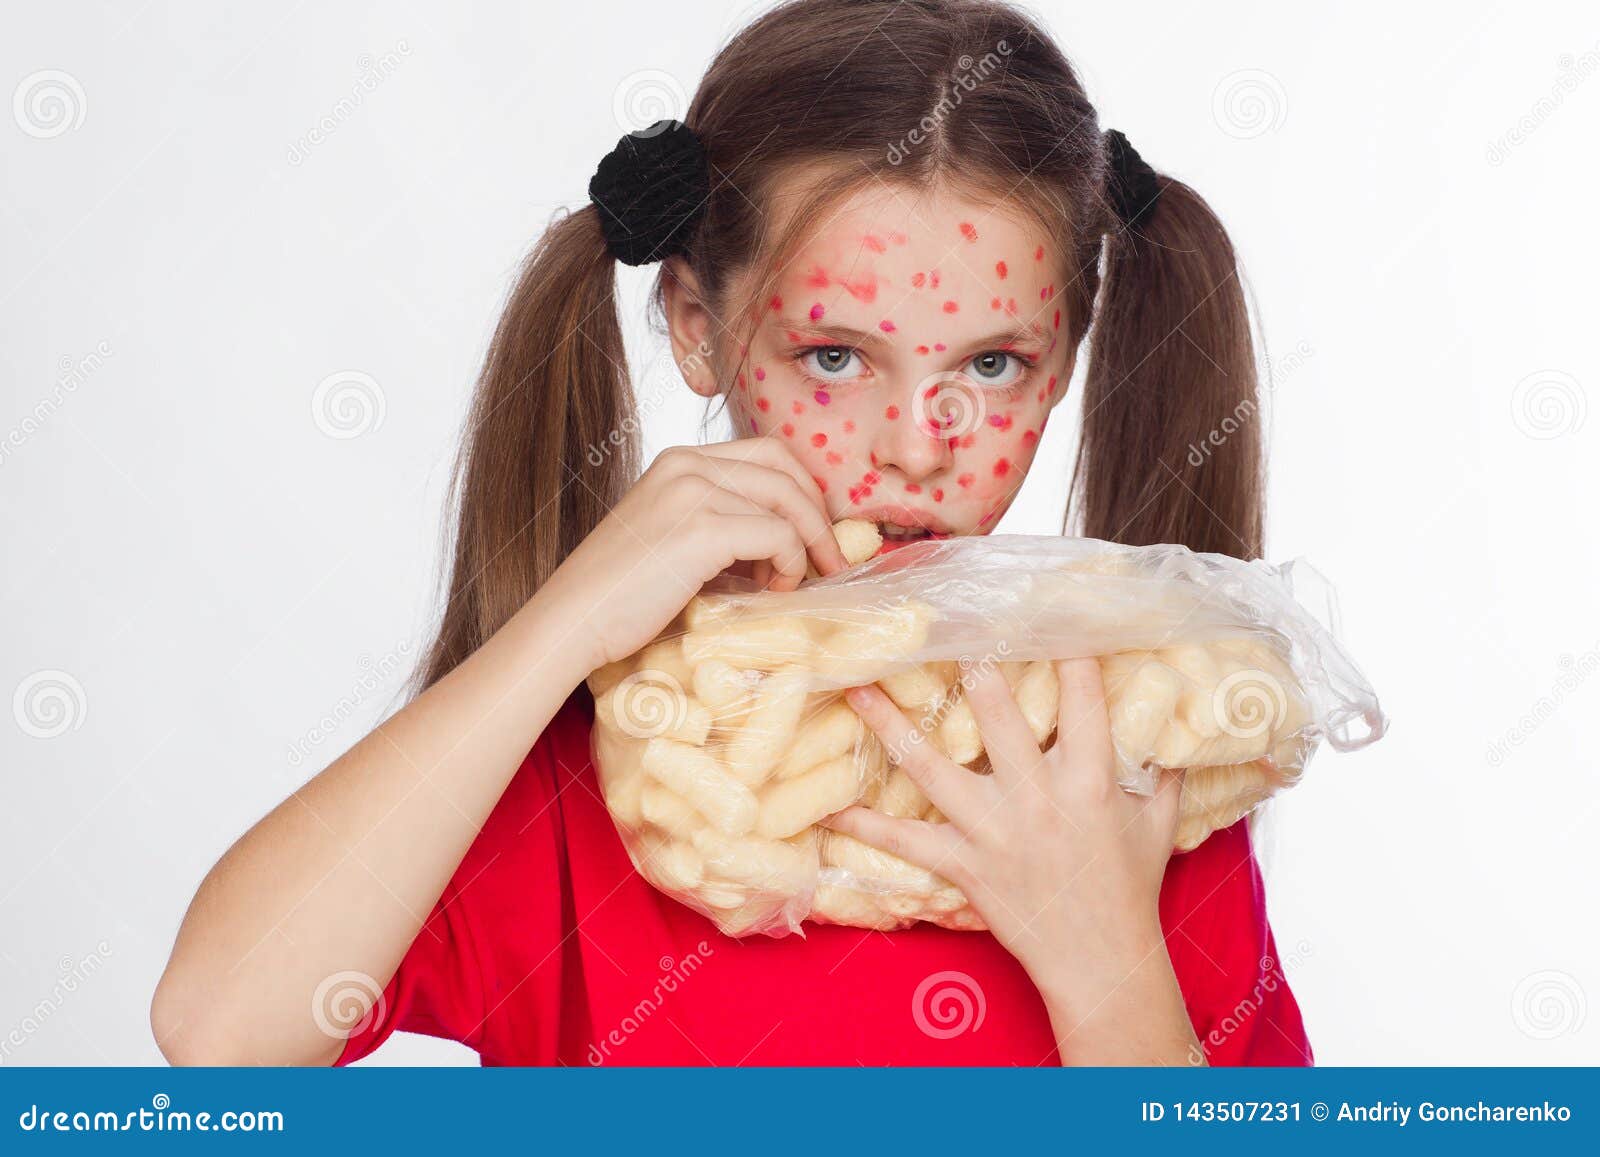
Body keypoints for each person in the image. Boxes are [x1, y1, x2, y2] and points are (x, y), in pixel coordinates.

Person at [152, 0, 1311, 1066]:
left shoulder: (1118, 776)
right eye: (835, 356)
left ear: (1063, 361)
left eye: (991, 363)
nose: (915, 444)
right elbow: (220, 1033)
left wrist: (1104, 961)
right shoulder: (581, 773)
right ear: (699, 327)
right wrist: (563, 624)